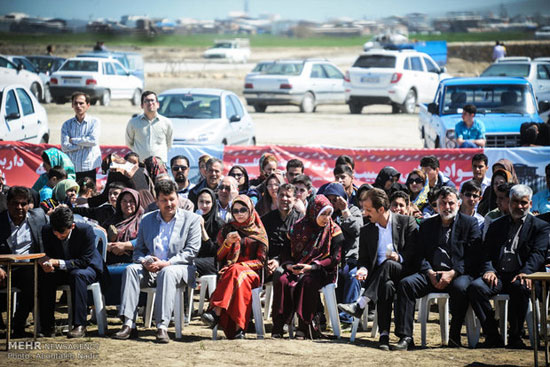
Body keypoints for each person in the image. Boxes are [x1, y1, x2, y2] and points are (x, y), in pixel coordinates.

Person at [393, 186, 481, 350]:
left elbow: (473, 256)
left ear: (458, 203)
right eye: (443, 203)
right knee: (406, 284)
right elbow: (419, 254)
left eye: (451, 203)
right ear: (437, 204)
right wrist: (429, 272)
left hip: (458, 273)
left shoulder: (469, 223)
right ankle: (406, 337)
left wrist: (453, 273)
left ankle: (454, 336)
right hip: (431, 273)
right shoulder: (427, 225)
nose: (447, 207)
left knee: (461, 287)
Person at [113, 180, 201, 343]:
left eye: (172, 199)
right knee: (131, 269)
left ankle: (162, 326)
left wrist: (166, 263)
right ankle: (129, 324)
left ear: (178, 198)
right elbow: (138, 251)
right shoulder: (146, 220)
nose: (169, 204)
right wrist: (145, 261)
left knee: (167, 272)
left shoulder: (192, 220)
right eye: (164, 200)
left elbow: (191, 252)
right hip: (152, 268)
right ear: (156, 201)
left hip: (179, 268)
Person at [468, 184, 550, 349]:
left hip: (523, 275)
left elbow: (538, 254)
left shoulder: (540, 226)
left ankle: (515, 336)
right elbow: (486, 252)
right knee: (476, 288)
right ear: (508, 202)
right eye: (515, 202)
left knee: (520, 287)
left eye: (523, 203)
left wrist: (526, 273)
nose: (519, 206)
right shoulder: (497, 225)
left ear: (531, 204)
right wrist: (489, 270)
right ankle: (492, 335)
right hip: (498, 275)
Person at [339, 188, 418, 350]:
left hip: (403, 271)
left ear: (381, 209)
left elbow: (414, 251)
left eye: (369, 210)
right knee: (386, 285)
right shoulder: (367, 230)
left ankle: (360, 304)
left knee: (389, 265)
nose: (365, 213)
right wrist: (363, 270)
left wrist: (399, 257)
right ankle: (384, 336)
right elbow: (364, 260)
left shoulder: (405, 222)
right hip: (380, 278)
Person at [271, 195, 343, 339]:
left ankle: (304, 327)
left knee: (307, 281)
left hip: (322, 270)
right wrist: (290, 265)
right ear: (313, 212)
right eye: (322, 214)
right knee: (282, 279)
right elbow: (285, 251)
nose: (326, 218)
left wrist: (312, 267)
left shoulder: (334, 231)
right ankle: (279, 326)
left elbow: (336, 258)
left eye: (329, 214)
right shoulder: (297, 227)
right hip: (297, 267)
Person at [201, 195, 268, 339]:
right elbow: (218, 257)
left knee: (237, 271)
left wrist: (242, 265)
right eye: (235, 211)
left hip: (252, 273)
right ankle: (238, 330)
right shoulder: (227, 229)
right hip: (231, 273)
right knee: (236, 275)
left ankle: (216, 312)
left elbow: (261, 261)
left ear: (250, 210)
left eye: (243, 210)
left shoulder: (259, 231)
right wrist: (227, 243)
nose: (239, 214)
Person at [38, 206, 107, 338]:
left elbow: (84, 261)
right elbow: (48, 254)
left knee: (77, 275)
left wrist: (57, 262)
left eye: (62, 233)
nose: (58, 236)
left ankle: (79, 325)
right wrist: (47, 264)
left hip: (87, 268)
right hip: (62, 269)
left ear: (72, 226)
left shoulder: (85, 231)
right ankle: (47, 326)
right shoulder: (47, 230)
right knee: (45, 276)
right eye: (55, 232)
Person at [0, 187, 48, 338]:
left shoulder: (39, 217)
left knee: (34, 279)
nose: (19, 207)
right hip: (4, 268)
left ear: (29, 204)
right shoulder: (0, 221)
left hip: (28, 268)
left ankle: (19, 323)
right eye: (15, 203)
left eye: (23, 203)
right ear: (8, 204)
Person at [323, 183, 363, 326]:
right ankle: (320, 317)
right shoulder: (325, 213)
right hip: (330, 259)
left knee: (352, 275)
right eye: (330, 200)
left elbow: (356, 229)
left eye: (336, 200)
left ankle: (346, 318)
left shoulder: (353, 210)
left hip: (350, 258)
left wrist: (344, 209)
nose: (333, 204)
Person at [261, 183, 302, 284]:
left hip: (291, 262)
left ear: (295, 199)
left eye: (288, 196)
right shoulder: (267, 219)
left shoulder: (300, 220)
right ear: (277, 197)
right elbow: (261, 243)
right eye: (281, 195)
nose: (284, 199)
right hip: (268, 262)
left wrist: (279, 261)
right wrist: (266, 262)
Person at [61, 92, 102, 183]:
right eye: (75, 103)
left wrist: (74, 140)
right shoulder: (67, 125)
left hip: (89, 167)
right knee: (72, 196)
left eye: (81, 103)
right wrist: (83, 145)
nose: (78, 106)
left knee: (89, 195)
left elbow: (93, 141)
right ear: (72, 105)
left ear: (88, 105)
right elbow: (64, 146)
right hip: (72, 169)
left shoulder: (94, 122)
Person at [125, 91, 173, 163]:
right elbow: (129, 143)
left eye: (152, 100)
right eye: (146, 101)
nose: (150, 103)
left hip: (160, 165)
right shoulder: (133, 122)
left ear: (158, 104)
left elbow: (169, 144)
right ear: (142, 105)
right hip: (139, 165)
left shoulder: (166, 122)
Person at [195, 188, 225, 276]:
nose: (204, 205)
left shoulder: (219, 224)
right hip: (195, 256)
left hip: (212, 261)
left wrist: (202, 229)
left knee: (190, 264)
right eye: (201, 201)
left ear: (213, 204)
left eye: (207, 202)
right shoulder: (191, 220)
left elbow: (214, 252)